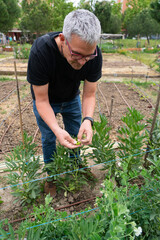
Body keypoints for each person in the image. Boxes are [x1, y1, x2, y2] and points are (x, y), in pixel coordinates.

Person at [27, 9, 102, 197]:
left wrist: (88, 119)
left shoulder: (93, 55)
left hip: (71, 98)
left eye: (89, 55)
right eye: (77, 54)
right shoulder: (41, 51)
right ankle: (51, 174)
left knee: (77, 132)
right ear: (62, 39)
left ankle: (75, 165)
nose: (84, 61)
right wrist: (56, 128)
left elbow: (89, 94)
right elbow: (41, 100)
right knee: (50, 138)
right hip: (47, 101)